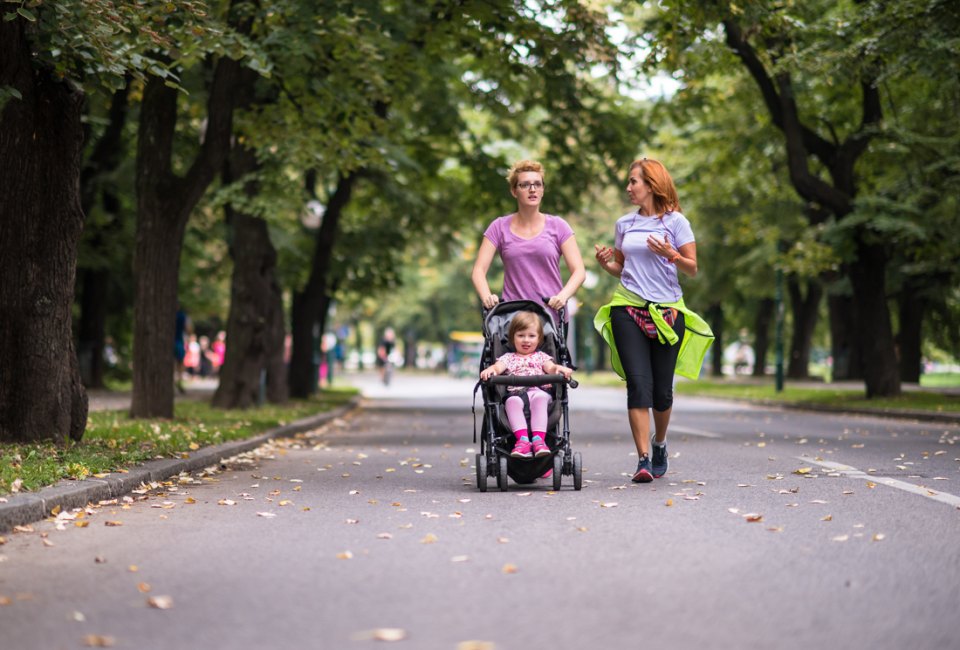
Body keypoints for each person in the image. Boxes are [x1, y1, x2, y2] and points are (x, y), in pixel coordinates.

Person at [594, 158, 714, 483]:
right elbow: (623, 267)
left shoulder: (676, 223)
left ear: (652, 184)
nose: (629, 187)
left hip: (667, 312)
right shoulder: (624, 224)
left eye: (634, 181)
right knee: (638, 384)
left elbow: (691, 268)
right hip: (628, 307)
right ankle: (643, 459)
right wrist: (606, 265)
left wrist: (670, 255)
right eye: (629, 182)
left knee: (662, 392)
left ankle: (660, 443)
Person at [471, 159, 585, 326]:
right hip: (513, 319)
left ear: (543, 189)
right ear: (513, 191)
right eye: (525, 185)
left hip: (550, 317)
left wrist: (563, 296)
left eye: (537, 184)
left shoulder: (558, 226)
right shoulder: (499, 227)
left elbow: (579, 271)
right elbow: (478, 270)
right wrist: (487, 297)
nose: (532, 189)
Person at [479, 311, 573, 458]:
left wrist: (559, 368)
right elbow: (498, 368)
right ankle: (523, 441)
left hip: (539, 391)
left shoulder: (541, 357)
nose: (526, 340)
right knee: (511, 401)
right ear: (512, 338)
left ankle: (538, 440)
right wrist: (490, 370)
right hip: (516, 393)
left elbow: (551, 368)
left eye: (531, 336)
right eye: (521, 335)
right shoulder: (508, 358)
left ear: (539, 339)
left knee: (540, 398)